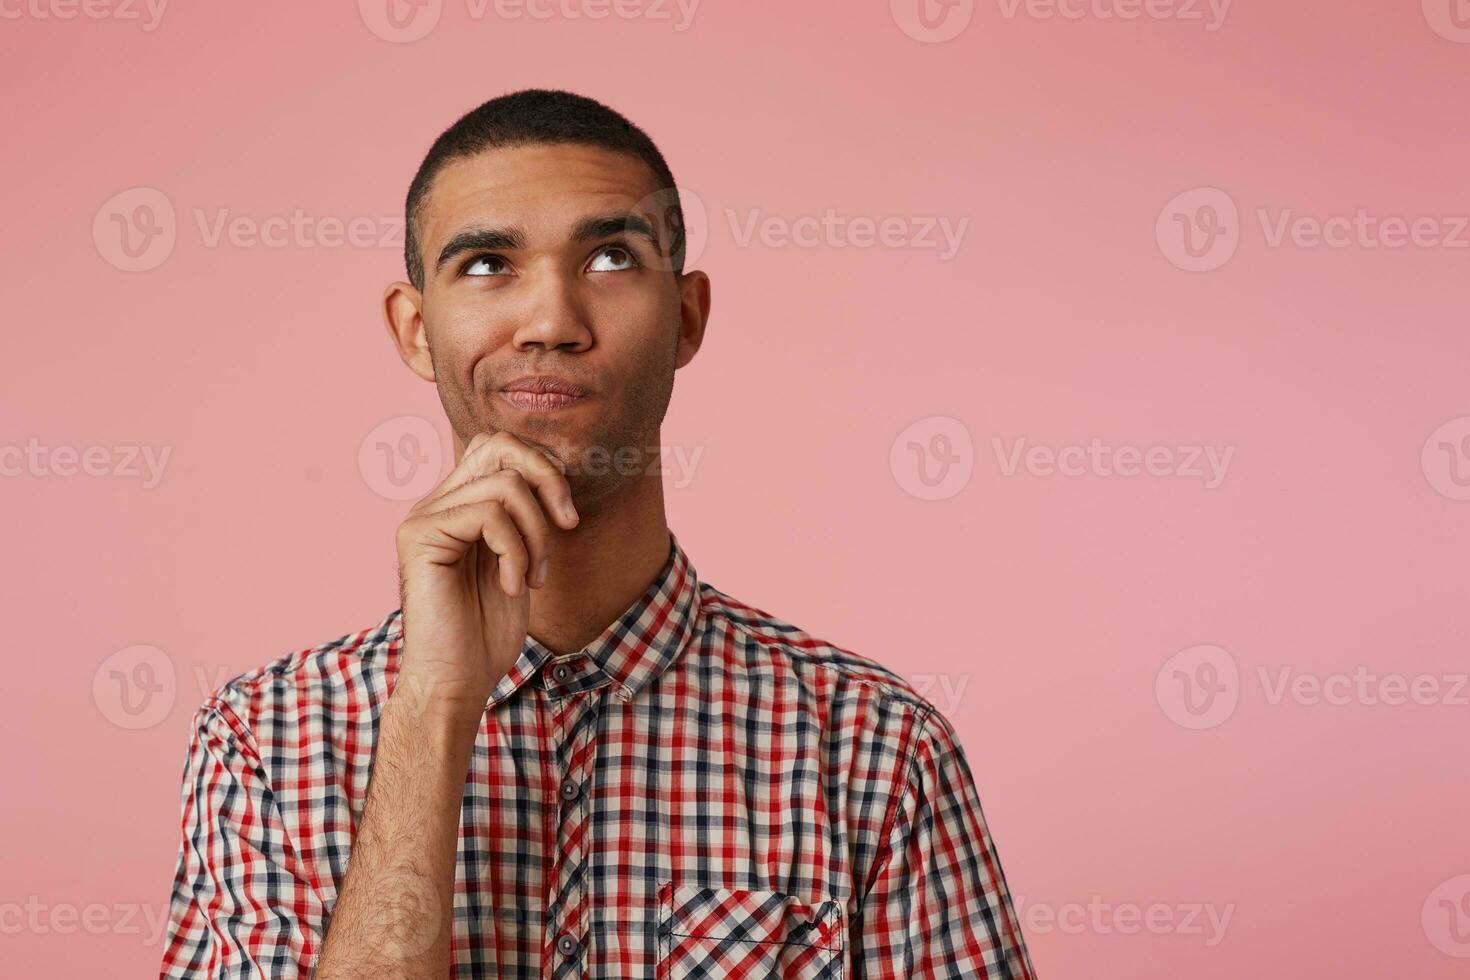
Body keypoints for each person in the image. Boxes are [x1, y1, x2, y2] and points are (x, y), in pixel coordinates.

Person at [159, 88, 1035, 979]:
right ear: (416, 330)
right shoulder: (266, 742)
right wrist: (432, 706)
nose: (552, 323)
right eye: (488, 265)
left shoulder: (876, 750)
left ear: (686, 317)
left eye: (611, 258)